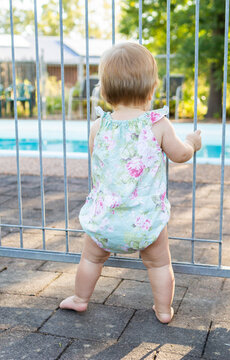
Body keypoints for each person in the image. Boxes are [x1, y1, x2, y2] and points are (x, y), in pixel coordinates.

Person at [60, 42, 202, 324]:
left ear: (106, 90)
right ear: (151, 88)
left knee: (90, 260)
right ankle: (163, 310)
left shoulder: (100, 126)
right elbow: (180, 155)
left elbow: (96, 156)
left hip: (105, 219)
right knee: (159, 263)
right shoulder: (157, 124)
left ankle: (80, 299)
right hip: (145, 221)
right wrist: (192, 143)